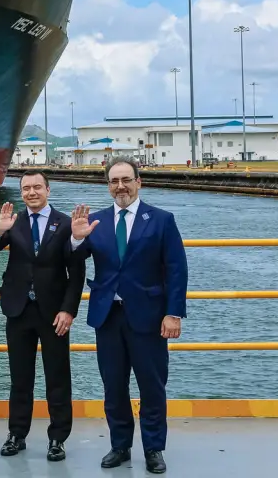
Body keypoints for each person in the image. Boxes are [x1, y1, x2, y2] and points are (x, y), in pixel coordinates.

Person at [71, 157, 188, 475]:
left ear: (139, 182)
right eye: (113, 181)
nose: (120, 186)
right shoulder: (95, 222)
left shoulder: (162, 220)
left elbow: (176, 270)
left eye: (126, 179)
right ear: (107, 186)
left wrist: (173, 313)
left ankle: (153, 448)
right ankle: (120, 445)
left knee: (152, 386)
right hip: (108, 316)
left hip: (149, 317)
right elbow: (73, 260)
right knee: (113, 386)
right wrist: (77, 238)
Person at [0, 171, 85, 462]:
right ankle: (17, 434)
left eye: (37, 187)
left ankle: (57, 438)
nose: (31, 192)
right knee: (20, 377)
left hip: (53, 312)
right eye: (26, 188)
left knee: (57, 377)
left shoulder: (66, 224)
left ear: (48, 189)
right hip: (18, 310)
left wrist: (68, 310)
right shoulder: (13, 221)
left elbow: (76, 272)